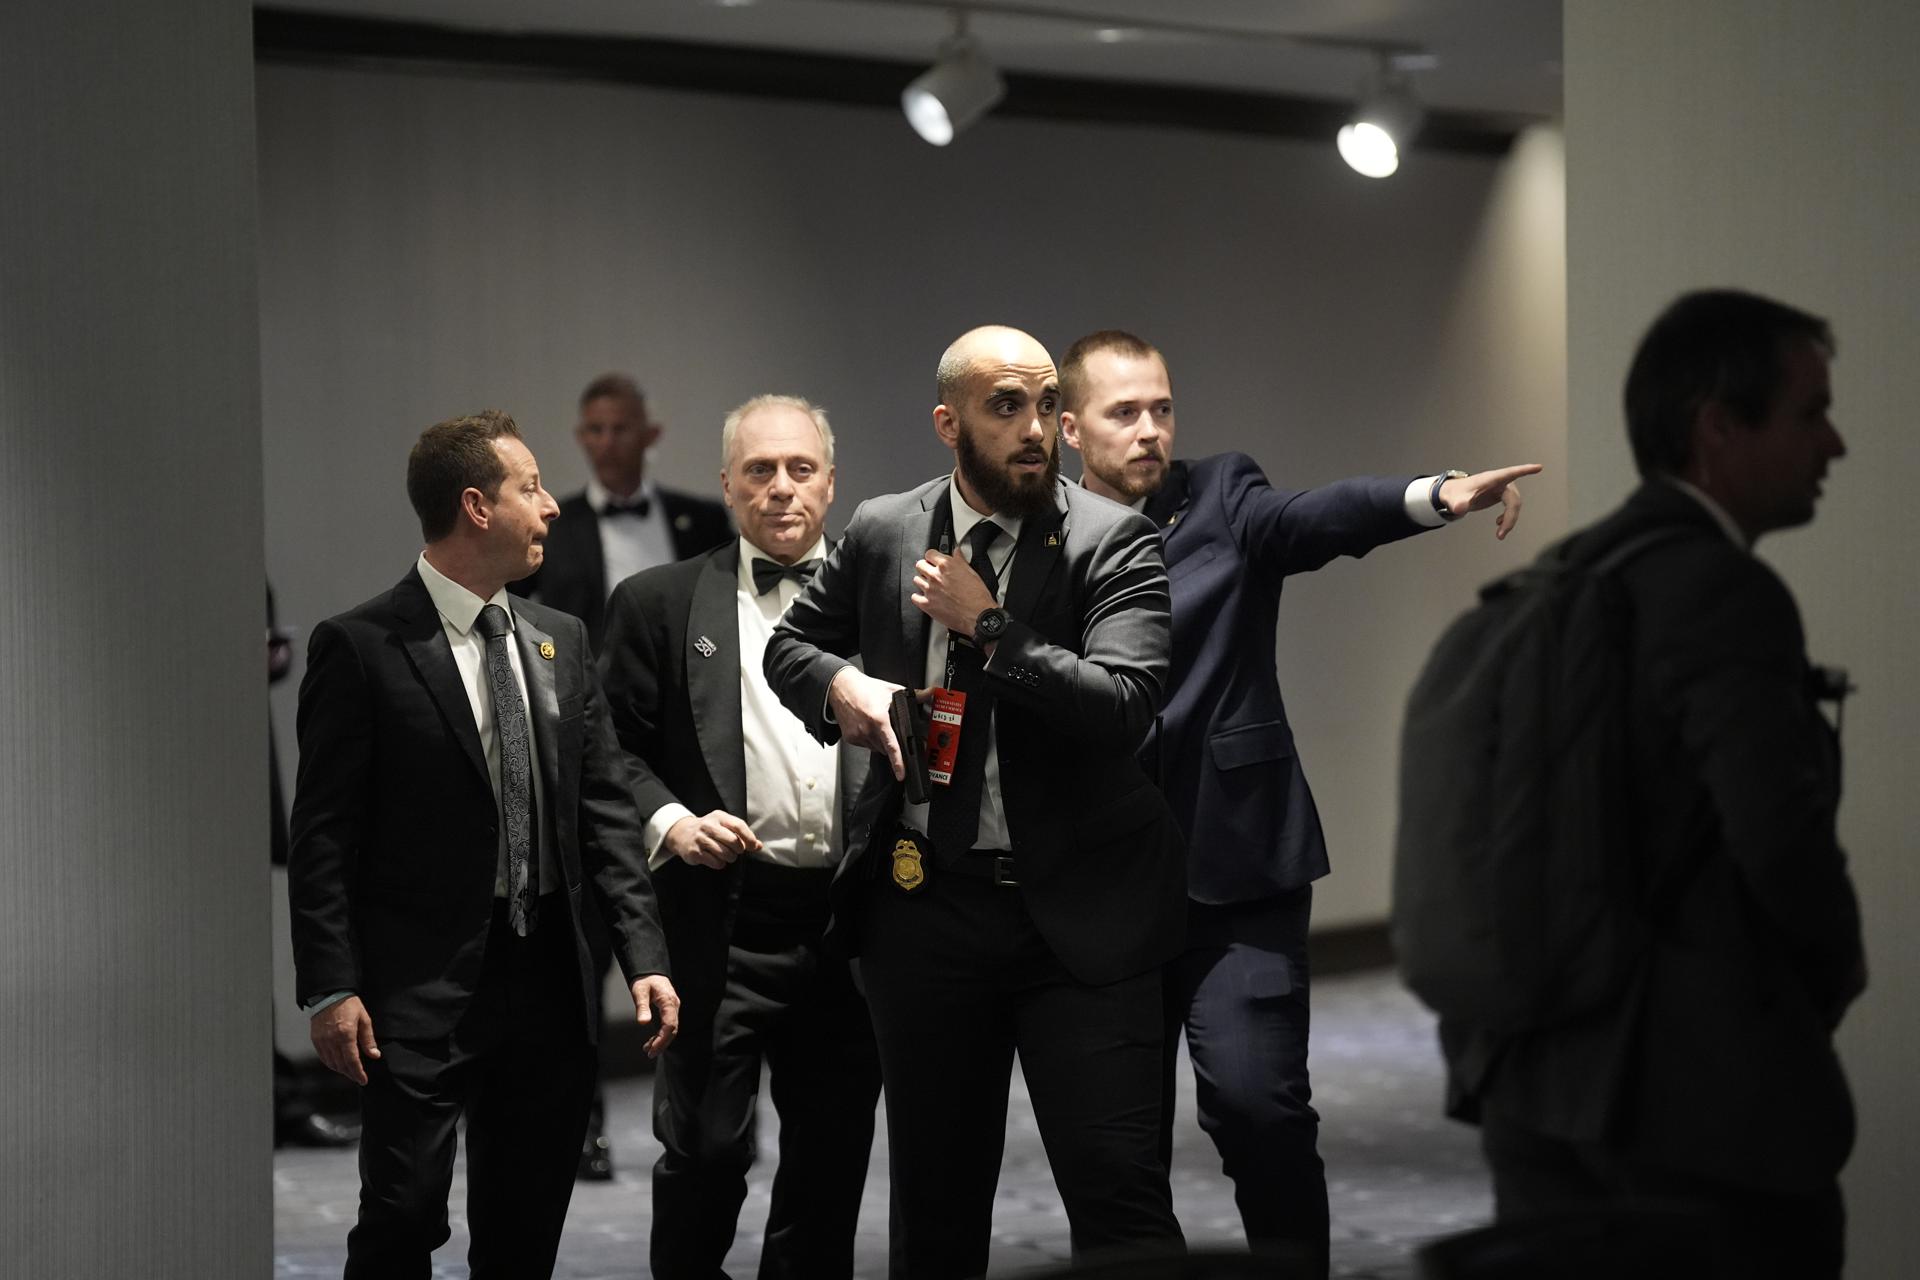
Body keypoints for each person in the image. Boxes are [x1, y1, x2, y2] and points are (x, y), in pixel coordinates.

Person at [1057, 329, 1539, 1275]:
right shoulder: (1040, 536)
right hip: (1101, 889)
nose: (1150, 429)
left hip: (1237, 865)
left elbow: (1316, 518)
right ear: (1072, 428)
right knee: (1118, 1153)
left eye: (1162, 407)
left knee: (1258, 1108)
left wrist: (1434, 496)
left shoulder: (1222, 495)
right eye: (1125, 413)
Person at [1454, 289, 1864, 1279]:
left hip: (1538, 1083)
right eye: (1810, 412)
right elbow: (1780, 839)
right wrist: (1834, 972)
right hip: (1697, 1115)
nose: (1836, 443)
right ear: (1718, 428)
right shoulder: (1727, 592)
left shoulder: (1564, 573)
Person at [764, 325, 1188, 1279]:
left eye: (1045, 405)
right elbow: (787, 648)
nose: (1034, 427)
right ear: (949, 423)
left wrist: (989, 627)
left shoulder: (1112, 539)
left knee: (1120, 1198)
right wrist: (848, 690)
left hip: (1081, 918)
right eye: (1007, 407)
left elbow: (1124, 709)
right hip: (927, 910)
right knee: (937, 1204)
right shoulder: (882, 529)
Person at [287, 409, 680, 1278]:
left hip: (546, 984)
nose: (550, 508)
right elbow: (321, 835)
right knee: (401, 1216)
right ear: (475, 505)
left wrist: (644, 954)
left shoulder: (560, 638)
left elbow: (606, 810)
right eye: (530, 488)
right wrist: (330, 985)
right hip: (416, 991)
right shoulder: (360, 648)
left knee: (524, 1229)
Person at [599, 394, 882, 1278]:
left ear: (831, 484)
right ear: (726, 486)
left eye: (800, 469)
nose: (781, 489)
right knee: (708, 1152)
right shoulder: (658, 603)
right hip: (720, 923)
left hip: (849, 926)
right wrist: (673, 821)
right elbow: (610, 752)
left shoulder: (888, 605)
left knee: (830, 1162)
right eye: (759, 470)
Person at [521, 372, 732, 651]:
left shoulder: (703, 519)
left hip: (689, 676)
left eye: (620, 429)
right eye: (596, 430)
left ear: (651, 435)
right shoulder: (550, 523)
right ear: (582, 437)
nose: (607, 442)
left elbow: (730, 599)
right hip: (589, 683)